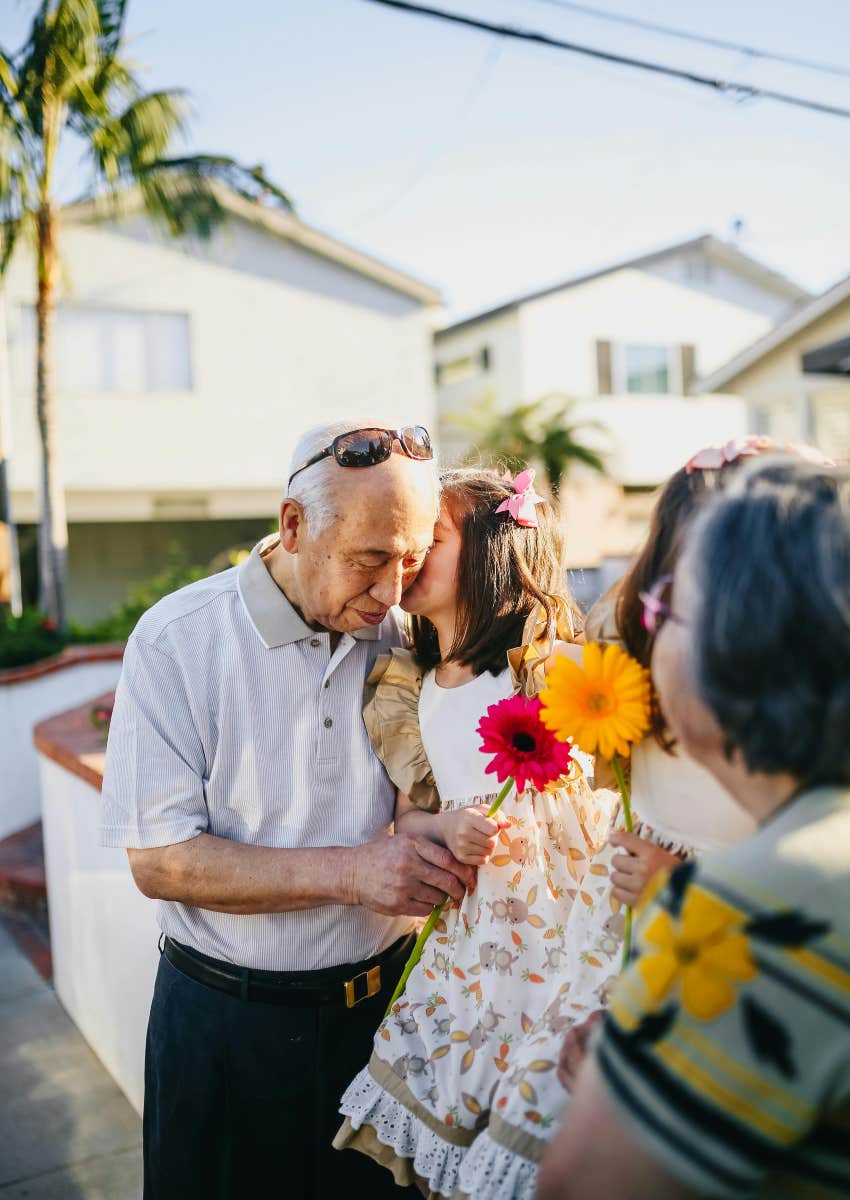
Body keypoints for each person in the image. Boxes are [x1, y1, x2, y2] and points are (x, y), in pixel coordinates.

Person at [101, 420, 476, 1200]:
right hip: (225, 1032)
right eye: (369, 561)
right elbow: (159, 860)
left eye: (410, 560)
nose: (391, 594)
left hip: (385, 1026)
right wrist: (353, 873)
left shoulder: (406, 634)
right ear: (294, 526)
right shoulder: (176, 641)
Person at [455, 440, 778, 1199]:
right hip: (629, 926)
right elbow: (606, 772)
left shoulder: (791, 679)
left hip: (727, 931)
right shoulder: (624, 641)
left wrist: (680, 880)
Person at [539, 455, 850, 1199]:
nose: (642, 623)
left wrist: (619, 1078)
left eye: (667, 603)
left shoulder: (741, 909)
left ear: (736, 642)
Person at [334, 467, 612, 1197]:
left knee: (544, 1115)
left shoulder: (545, 665)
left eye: (434, 536)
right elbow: (411, 812)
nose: (413, 553)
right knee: (467, 1115)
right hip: (480, 948)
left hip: (562, 927)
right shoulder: (410, 686)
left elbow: (612, 782)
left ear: (492, 549)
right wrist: (445, 824)